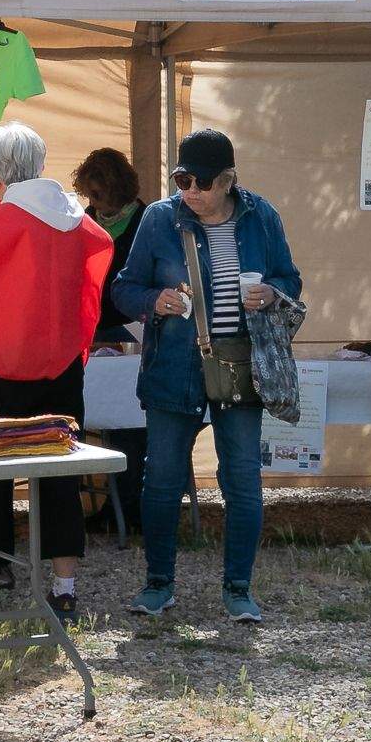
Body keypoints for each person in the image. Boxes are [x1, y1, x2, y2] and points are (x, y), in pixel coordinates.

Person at [112, 129, 301, 623]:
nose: (190, 191)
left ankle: (239, 588)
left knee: (242, 479)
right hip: (175, 365)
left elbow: (291, 278)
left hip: (240, 363)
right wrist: (154, 301)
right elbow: (123, 289)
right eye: (181, 179)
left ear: (228, 181)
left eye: (201, 182)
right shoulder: (159, 217)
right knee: (161, 479)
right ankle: (158, 584)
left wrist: (272, 293)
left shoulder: (262, 217)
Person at [0, 122, 112, 619]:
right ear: (39, 165)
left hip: (4, 365)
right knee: (62, 474)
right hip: (63, 366)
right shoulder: (81, 222)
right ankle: (64, 588)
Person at [73, 147, 150, 531]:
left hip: (133, 334)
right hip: (94, 331)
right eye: (89, 196)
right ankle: (109, 508)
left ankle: (130, 508)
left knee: (129, 422)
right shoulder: (86, 221)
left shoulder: (146, 220)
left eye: (99, 195)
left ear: (118, 188)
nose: (94, 204)